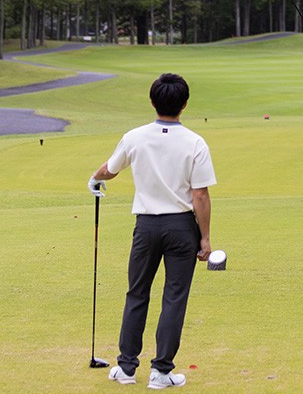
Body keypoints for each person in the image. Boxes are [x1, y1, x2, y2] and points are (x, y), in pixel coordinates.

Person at [89, 72, 216, 389]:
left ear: (152, 101)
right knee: (174, 298)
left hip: (145, 227)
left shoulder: (135, 136)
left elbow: (110, 170)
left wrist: (95, 178)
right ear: (184, 104)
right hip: (181, 228)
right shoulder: (195, 143)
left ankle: (127, 368)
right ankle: (161, 373)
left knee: (137, 293)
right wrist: (205, 238)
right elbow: (199, 195)